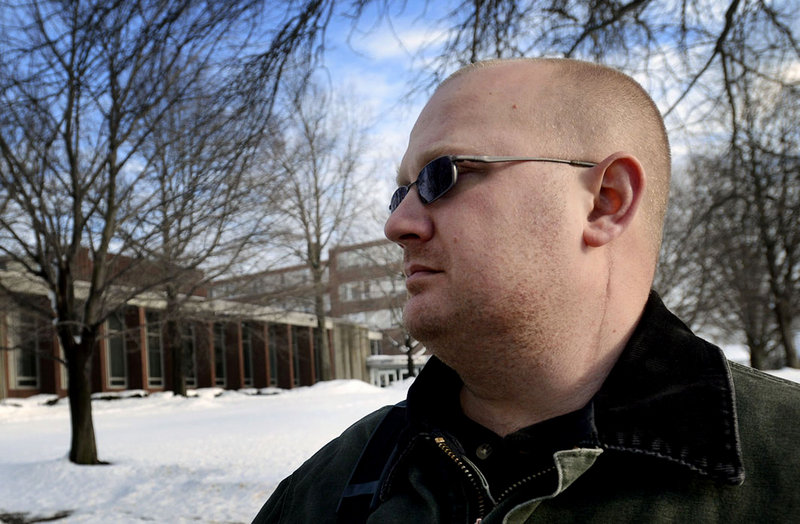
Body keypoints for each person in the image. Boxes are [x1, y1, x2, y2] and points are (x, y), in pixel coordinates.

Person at [252, 58, 800, 523]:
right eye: (401, 193)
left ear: (605, 200)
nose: (399, 225)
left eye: (441, 175)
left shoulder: (785, 466)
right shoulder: (324, 492)